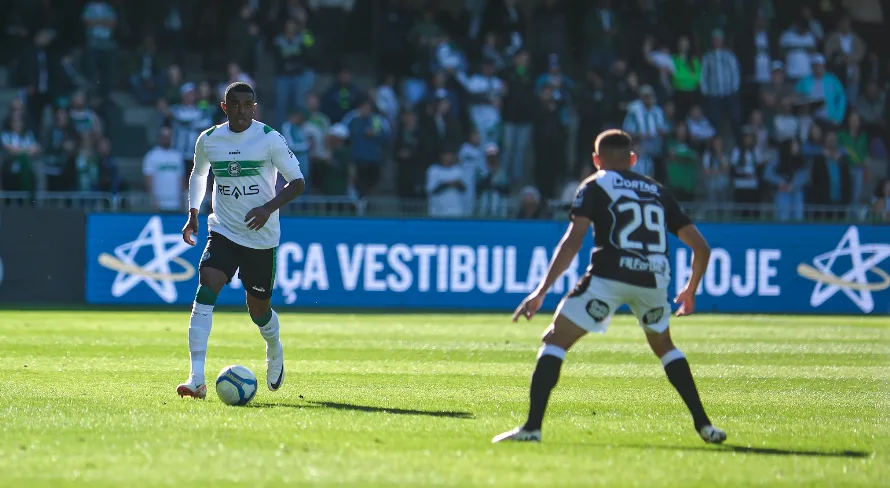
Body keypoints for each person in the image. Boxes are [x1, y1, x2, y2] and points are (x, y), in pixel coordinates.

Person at [493, 129, 725, 445]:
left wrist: (541, 291)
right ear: (633, 158)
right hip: (654, 281)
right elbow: (702, 247)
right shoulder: (658, 191)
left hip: (609, 277)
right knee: (665, 347)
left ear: (596, 159)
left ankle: (532, 428)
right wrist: (690, 290)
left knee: (554, 340)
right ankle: (705, 426)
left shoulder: (595, 184)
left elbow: (573, 240)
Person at [177, 82, 306, 399]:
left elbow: (298, 182)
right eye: (235, 105)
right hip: (223, 230)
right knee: (207, 285)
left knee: (258, 310)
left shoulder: (269, 138)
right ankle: (196, 379)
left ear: (255, 107)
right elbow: (199, 175)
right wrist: (194, 213)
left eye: (248, 105)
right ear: (225, 108)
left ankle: (274, 346)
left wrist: (267, 208)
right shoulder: (209, 140)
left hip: (260, 236)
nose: (242, 110)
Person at [143, 127, 186, 211]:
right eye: (164, 136)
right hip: (159, 204)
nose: (166, 139)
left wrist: (183, 200)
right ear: (159, 137)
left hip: (176, 204)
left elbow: (181, 179)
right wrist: (153, 199)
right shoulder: (151, 156)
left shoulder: (177, 156)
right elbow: (148, 180)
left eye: (168, 137)